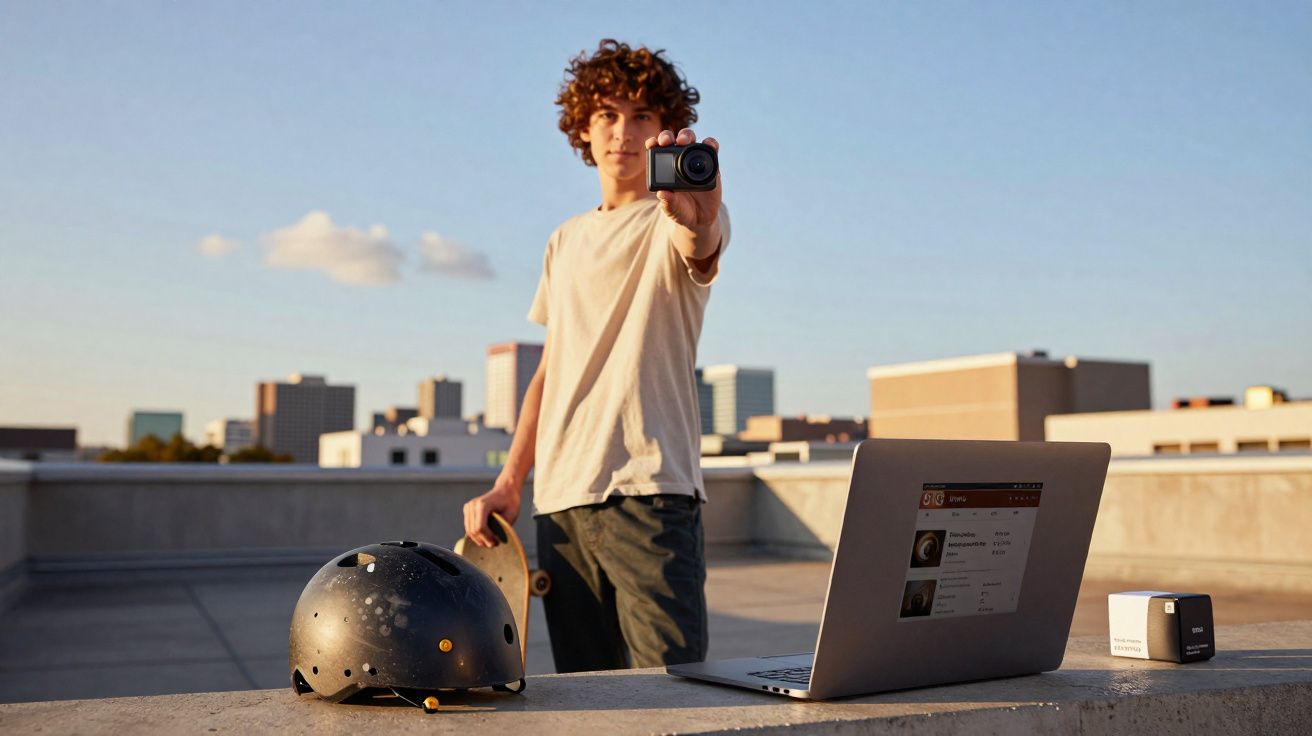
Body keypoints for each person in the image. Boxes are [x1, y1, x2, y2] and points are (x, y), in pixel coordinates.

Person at [462, 38, 729, 673]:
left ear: (666, 128)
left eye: (642, 116)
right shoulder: (564, 240)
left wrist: (702, 217)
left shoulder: (671, 219)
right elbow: (550, 375)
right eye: (608, 114)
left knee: (675, 700)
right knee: (588, 701)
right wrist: (510, 482)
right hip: (560, 505)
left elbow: (701, 240)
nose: (624, 132)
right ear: (584, 128)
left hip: (650, 495)